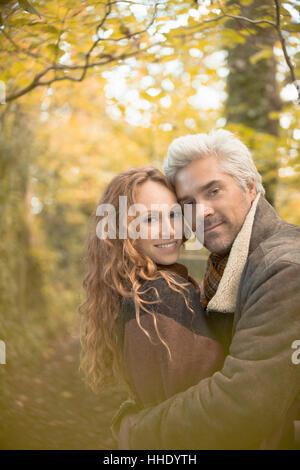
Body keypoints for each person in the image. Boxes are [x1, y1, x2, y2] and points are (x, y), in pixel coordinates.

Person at [116, 129, 300, 450]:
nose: (200, 212)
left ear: (249, 186)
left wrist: (138, 432)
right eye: (187, 203)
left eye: (213, 191)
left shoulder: (282, 269)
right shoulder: (225, 265)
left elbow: (245, 403)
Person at [79, 166, 224, 441]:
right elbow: (201, 415)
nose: (170, 230)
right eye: (149, 220)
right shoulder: (160, 294)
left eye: (173, 215)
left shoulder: (138, 290)